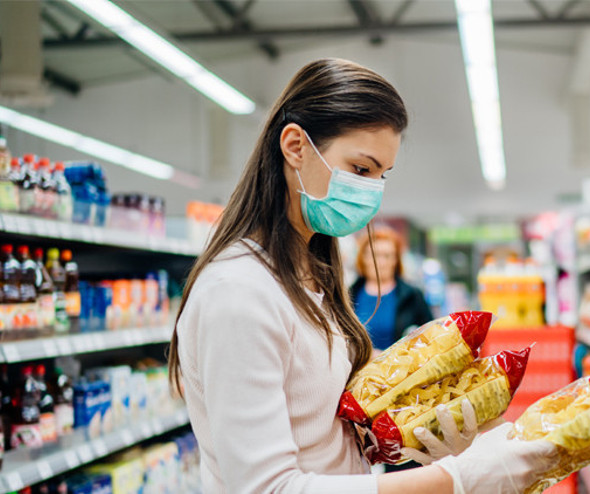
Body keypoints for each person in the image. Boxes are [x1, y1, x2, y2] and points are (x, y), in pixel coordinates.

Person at [168, 58, 556, 494]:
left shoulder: (312, 276)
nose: (372, 191)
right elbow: (267, 489)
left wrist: (399, 438)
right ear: (295, 146)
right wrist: (455, 480)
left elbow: (315, 433)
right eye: (361, 170)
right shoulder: (237, 293)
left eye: (381, 175)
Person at [351, 228, 433, 351]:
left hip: (402, 369)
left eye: (387, 256)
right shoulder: (347, 295)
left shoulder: (412, 296)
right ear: (362, 258)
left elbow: (431, 339)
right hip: (358, 368)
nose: (381, 262)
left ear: (396, 260)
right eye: (374, 255)